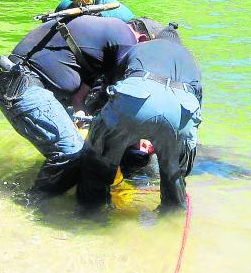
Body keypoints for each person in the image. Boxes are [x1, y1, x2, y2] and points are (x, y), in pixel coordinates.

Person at [0, 15, 137, 200]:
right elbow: (123, 99)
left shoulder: (101, 43)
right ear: (142, 38)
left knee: (76, 152)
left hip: (16, 84)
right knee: (72, 153)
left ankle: (50, 199)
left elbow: (80, 98)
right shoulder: (127, 38)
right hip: (24, 86)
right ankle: (32, 205)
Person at [77, 19, 203, 211]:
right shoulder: (191, 59)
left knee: (97, 162)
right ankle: (170, 222)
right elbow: (197, 105)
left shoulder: (140, 48)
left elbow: (112, 84)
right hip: (181, 111)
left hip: (136, 99)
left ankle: (90, 215)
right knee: (173, 175)